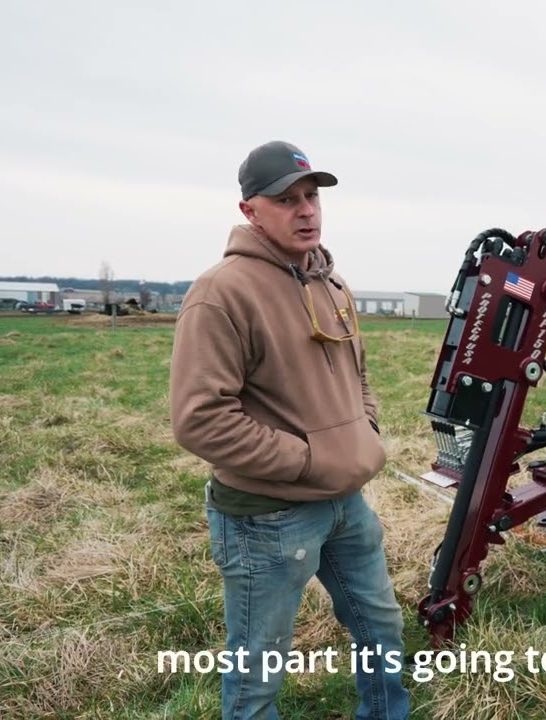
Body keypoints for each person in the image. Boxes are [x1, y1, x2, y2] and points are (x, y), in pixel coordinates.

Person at [169, 140, 410, 720]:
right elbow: (200, 419)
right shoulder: (222, 293)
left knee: (381, 628)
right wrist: (307, 459)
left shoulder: (331, 284)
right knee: (258, 669)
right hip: (265, 516)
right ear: (250, 210)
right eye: (286, 200)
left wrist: (364, 433)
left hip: (345, 503)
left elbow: (359, 376)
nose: (306, 210)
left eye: (312, 196)